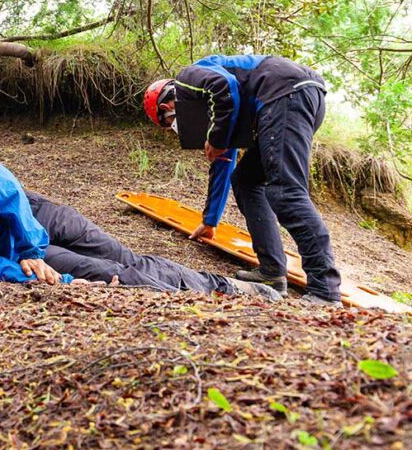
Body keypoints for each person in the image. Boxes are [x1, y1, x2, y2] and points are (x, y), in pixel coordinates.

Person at [0, 144, 281, 301]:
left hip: (29, 212)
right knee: (115, 277)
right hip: (16, 252)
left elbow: (0, 185)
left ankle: (222, 285)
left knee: (119, 253)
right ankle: (219, 295)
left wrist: (28, 244)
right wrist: (51, 277)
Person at [143, 54, 342, 306]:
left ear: (166, 107)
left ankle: (325, 290)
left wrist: (217, 138)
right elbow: (224, 163)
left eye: (170, 123)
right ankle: (271, 272)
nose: (175, 129)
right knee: (247, 180)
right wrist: (210, 220)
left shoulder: (188, 78)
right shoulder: (224, 112)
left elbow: (223, 86)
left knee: (286, 192)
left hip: (285, 94)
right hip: (295, 97)